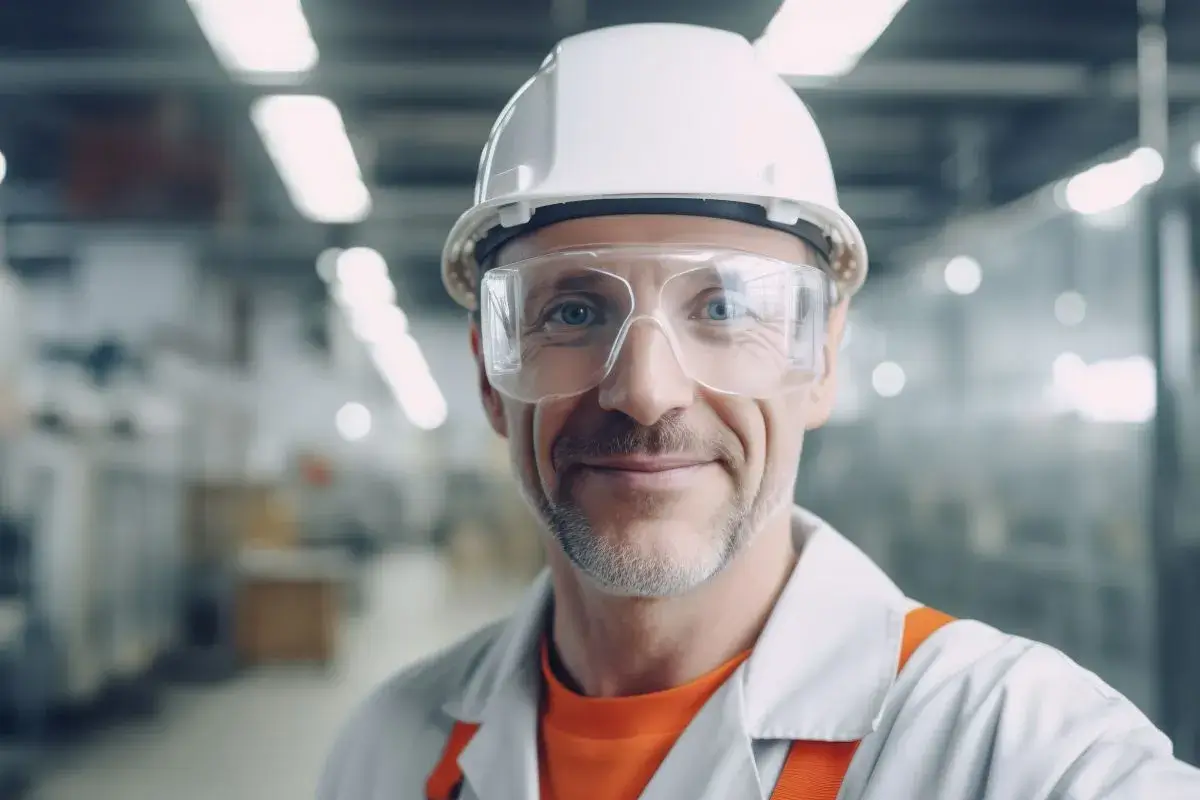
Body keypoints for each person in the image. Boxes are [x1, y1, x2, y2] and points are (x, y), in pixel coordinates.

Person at [318, 22, 1200, 800]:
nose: (646, 390)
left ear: (821, 361)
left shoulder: (1011, 751)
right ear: (489, 378)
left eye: (724, 308)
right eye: (574, 312)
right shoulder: (388, 755)